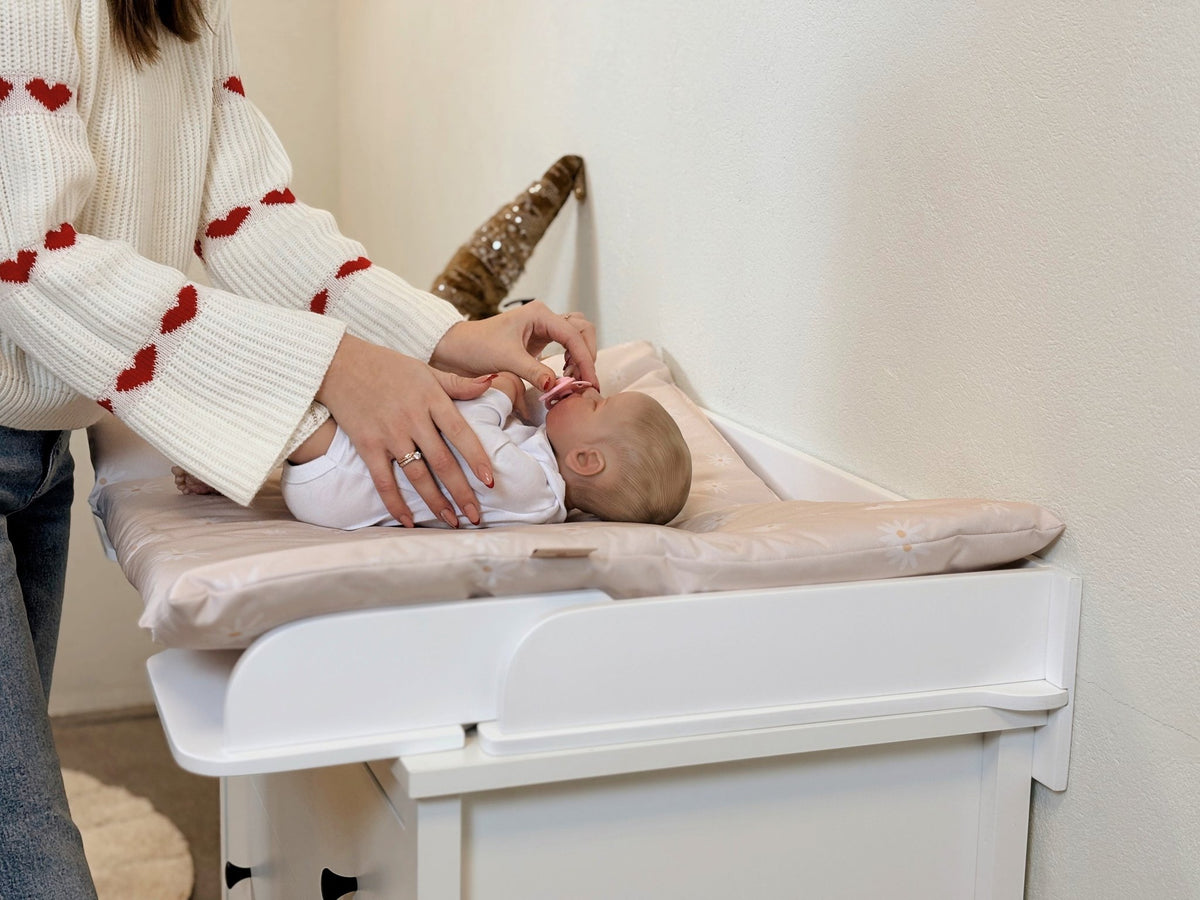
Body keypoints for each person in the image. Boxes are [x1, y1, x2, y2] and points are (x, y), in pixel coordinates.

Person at [0, 1, 597, 897]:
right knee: (33, 851)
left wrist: (438, 336)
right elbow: (26, 255)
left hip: (38, 440)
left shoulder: (189, 11)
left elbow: (248, 218)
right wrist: (329, 376)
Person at [279, 374, 693, 529]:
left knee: (281, 396)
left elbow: (466, 435)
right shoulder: (540, 463)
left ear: (585, 460)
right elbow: (521, 427)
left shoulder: (533, 489)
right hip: (360, 467)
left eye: (598, 405)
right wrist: (536, 395)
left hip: (344, 476)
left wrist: (501, 392)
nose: (590, 391)